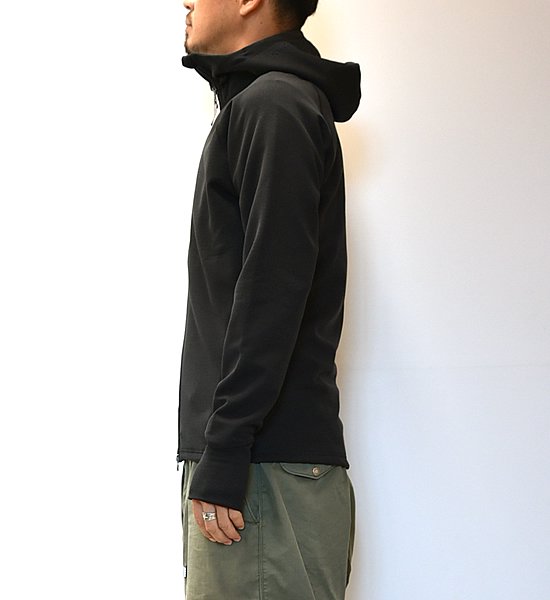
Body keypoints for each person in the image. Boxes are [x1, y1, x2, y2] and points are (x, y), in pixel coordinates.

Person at [177, 1, 361, 598]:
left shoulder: (274, 104)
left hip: (260, 468)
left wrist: (226, 446)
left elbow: (274, 288)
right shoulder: (263, 105)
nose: (186, 2)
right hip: (256, 464)